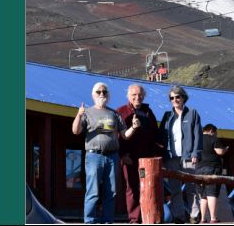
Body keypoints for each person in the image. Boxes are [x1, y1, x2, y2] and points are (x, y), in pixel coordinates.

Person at [72, 82, 141, 224]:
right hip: (94, 156)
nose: (102, 94)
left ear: (108, 95)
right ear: (93, 95)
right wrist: (78, 116)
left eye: (104, 92)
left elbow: (124, 134)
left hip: (112, 156)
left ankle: (107, 221)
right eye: (99, 92)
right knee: (93, 191)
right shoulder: (87, 112)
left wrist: (133, 127)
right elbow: (76, 131)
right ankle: (90, 221)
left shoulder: (114, 114)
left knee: (111, 192)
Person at [117, 84, 163, 223]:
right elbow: (117, 136)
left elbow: (156, 135)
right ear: (128, 96)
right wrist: (123, 155)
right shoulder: (121, 111)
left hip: (147, 160)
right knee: (132, 189)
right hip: (129, 158)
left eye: (140, 95)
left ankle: (148, 217)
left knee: (147, 187)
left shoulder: (148, 112)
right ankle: (134, 219)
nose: (137, 97)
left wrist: (156, 154)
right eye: (134, 95)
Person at [159, 85, 203, 224]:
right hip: (171, 158)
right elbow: (161, 136)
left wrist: (196, 152)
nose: (175, 99)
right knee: (175, 189)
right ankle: (178, 216)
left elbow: (198, 134)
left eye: (177, 96)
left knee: (191, 188)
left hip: (188, 156)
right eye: (172, 97)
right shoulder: (167, 116)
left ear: (183, 97)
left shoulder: (192, 113)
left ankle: (194, 215)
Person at [195, 124, 229, 224]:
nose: (215, 134)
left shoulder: (197, 140)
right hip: (212, 169)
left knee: (203, 196)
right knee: (212, 193)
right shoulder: (212, 138)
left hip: (199, 170)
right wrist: (225, 149)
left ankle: (202, 219)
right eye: (215, 132)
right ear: (211, 131)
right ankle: (213, 218)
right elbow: (219, 152)